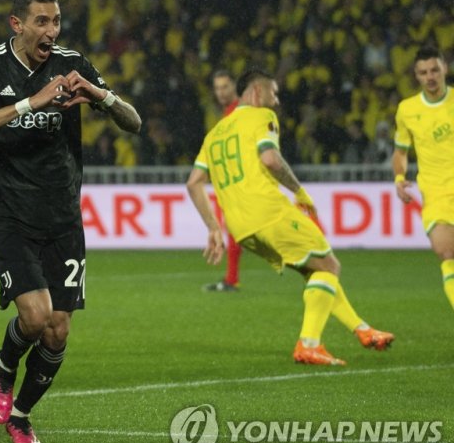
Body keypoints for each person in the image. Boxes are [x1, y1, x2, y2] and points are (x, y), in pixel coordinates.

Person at [0, 0, 141, 443]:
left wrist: (100, 95)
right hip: (9, 213)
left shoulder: (71, 62)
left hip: (62, 214)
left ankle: (20, 415)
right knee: (36, 316)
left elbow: (133, 122)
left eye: (56, 21)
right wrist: (30, 102)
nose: (51, 31)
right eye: (42, 21)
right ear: (16, 24)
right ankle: (3, 363)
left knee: (58, 330)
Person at [186, 68, 394, 365]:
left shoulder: (214, 133)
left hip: (241, 228)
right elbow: (270, 159)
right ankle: (309, 344)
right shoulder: (262, 117)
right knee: (329, 265)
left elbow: (193, 183)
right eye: (273, 92)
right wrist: (299, 191)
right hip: (268, 211)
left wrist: (213, 228)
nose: (277, 100)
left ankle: (362, 329)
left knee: (315, 270)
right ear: (257, 92)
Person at [393, 46, 454, 311]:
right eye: (423, 72)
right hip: (437, 193)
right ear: (416, 76)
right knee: (446, 252)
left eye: (434, 70)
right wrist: (399, 177)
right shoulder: (407, 109)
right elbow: (400, 151)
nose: (430, 77)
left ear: (445, 70)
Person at [202, 69, 243, 293]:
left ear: (234, 86)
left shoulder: (240, 111)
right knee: (234, 231)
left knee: (241, 230)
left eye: (225, 87)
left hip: (240, 182)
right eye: (217, 88)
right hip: (230, 181)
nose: (221, 92)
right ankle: (231, 279)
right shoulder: (228, 112)